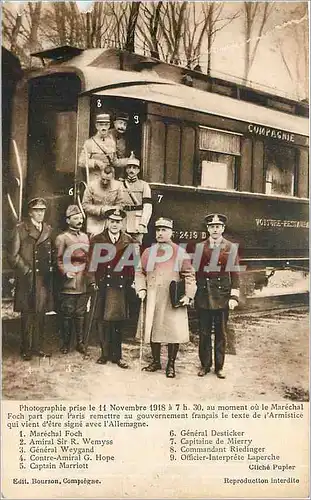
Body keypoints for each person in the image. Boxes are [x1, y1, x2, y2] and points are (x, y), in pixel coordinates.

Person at [135, 217, 197, 378]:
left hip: (171, 298)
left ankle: (171, 364)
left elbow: (189, 275)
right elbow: (139, 271)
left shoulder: (179, 252)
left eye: (164, 230)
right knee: (152, 329)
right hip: (152, 296)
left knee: (173, 331)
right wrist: (141, 288)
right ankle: (156, 361)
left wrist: (188, 295)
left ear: (171, 232)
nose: (160, 233)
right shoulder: (149, 252)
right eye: (158, 230)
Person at [89, 208, 136, 368]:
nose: (115, 224)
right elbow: (92, 263)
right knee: (102, 320)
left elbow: (131, 264)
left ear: (122, 223)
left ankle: (117, 356)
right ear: (107, 222)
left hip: (120, 285)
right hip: (102, 283)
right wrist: (92, 281)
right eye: (112, 221)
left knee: (118, 321)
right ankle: (104, 354)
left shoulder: (128, 240)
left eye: (118, 222)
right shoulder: (97, 239)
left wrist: (131, 282)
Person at [195, 213, 240, 379]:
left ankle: (219, 367)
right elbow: (196, 272)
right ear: (207, 229)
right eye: (212, 226)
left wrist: (234, 296)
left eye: (218, 226)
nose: (215, 229)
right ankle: (205, 365)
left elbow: (234, 273)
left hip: (222, 295)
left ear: (223, 228)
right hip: (204, 295)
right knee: (204, 332)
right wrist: (194, 294)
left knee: (221, 333)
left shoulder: (230, 247)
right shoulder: (200, 247)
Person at [8, 198, 54, 360]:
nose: (40, 213)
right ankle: (26, 348)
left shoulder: (48, 229)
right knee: (27, 314)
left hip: (42, 278)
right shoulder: (21, 229)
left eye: (42, 210)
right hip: (28, 278)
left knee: (40, 313)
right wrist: (26, 270)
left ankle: (37, 347)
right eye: (37, 210)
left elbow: (51, 253)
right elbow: (13, 256)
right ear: (30, 212)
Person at [54, 205, 93, 355]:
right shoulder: (62, 238)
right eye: (76, 218)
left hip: (83, 280)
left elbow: (88, 258)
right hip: (69, 283)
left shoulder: (85, 237)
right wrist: (65, 272)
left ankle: (80, 343)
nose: (79, 221)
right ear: (68, 220)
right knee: (67, 313)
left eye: (81, 218)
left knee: (81, 313)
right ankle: (65, 343)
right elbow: (58, 259)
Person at [82, 165, 124, 236]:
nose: (105, 182)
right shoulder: (92, 185)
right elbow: (85, 205)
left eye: (108, 180)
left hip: (111, 221)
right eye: (103, 179)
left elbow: (121, 204)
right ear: (100, 176)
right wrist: (100, 210)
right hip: (94, 222)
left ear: (113, 177)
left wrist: (110, 210)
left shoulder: (118, 185)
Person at [78, 113, 116, 184]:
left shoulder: (112, 142)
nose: (103, 128)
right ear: (97, 126)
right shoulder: (89, 142)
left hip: (109, 176)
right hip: (95, 177)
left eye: (106, 125)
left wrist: (128, 161)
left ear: (109, 126)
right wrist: (95, 162)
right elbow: (81, 162)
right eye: (101, 125)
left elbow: (114, 161)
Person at [122, 157, 152, 244]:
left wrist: (143, 223)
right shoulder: (120, 184)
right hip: (123, 220)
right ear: (126, 169)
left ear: (138, 170)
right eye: (129, 167)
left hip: (137, 222)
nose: (131, 170)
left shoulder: (144, 185)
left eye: (134, 168)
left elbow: (148, 207)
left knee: (135, 249)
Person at [106, 111, 130, 176]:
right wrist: (130, 160)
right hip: (106, 172)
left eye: (125, 124)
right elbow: (114, 161)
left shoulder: (122, 138)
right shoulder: (108, 136)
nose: (122, 126)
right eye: (120, 123)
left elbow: (121, 156)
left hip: (116, 173)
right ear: (114, 123)